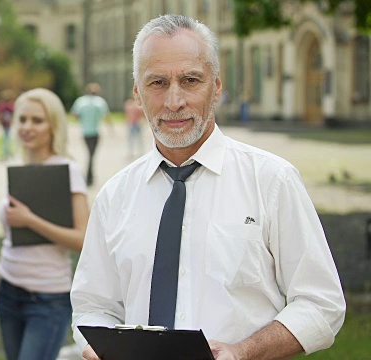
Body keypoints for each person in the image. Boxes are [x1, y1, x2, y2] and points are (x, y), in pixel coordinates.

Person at [71, 14, 346, 360]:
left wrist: (244, 351)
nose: (174, 101)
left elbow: (322, 303)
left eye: (190, 80)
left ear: (216, 86)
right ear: (137, 94)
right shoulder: (114, 197)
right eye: (157, 83)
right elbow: (92, 305)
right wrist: (96, 347)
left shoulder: (272, 181)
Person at [0, 88, 90, 360]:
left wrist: (31, 220)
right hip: (8, 293)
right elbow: (10, 243)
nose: (27, 127)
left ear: (53, 125)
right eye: (23, 119)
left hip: (47, 299)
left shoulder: (66, 170)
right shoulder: (21, 170)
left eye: (37, 120)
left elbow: (83, 239)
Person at [70, 82, 110, 186]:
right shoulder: (99, 102)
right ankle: (88, 177)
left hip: (85, 132)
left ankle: (90, 176)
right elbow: (105, 116)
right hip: (95, 132)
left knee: (90, 154)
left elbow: (74, 115)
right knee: (91, 155)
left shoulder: (80, 101)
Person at [0, 89, 17, 160]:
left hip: (5, 123)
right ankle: (6, 152)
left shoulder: (1, 105)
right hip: (6, 123)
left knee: (6, 137)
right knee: (6, 138)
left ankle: (6, 152)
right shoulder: (9, 105)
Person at [124, 92, 145, 159]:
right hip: (135, 123)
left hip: (134, 124)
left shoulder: (129, 104)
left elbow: (126, 114)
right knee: (137, 139)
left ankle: (135, 152)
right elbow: (142, 114)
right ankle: (137, 152)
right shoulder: (138, 105)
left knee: (133, 139)